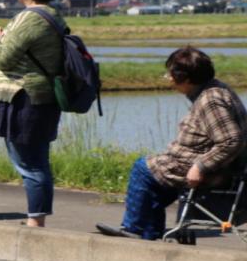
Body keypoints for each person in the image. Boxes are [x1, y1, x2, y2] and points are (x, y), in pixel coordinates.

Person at [97, 46, 247, 240]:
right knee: (155, 181)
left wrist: (200, 167)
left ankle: (135, 228)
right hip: (211, 165)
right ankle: (149, 234)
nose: (169, 79)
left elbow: (231, 140)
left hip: (211, 169)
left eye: (171, 74)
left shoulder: (210, 100)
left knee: (143, 169)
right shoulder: (215, 89)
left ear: (185, 78)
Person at [0, 0, 65, 228]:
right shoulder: (50, 14)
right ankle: (36, 219)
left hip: (24, 98)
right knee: (35, 161)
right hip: (35, 97)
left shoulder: (30, 17)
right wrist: (2, 37)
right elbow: (22, 51)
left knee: (31, 164)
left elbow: (2, 59)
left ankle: (35, 223)